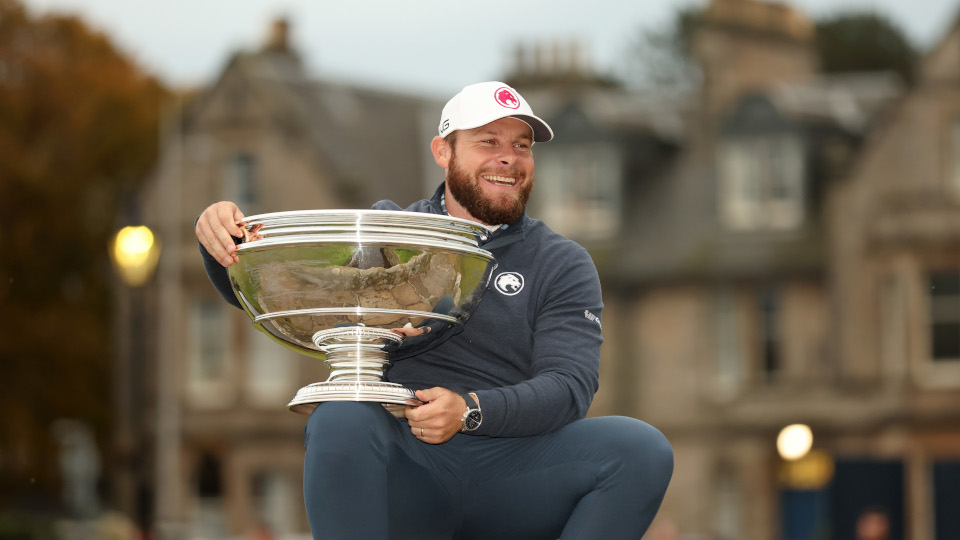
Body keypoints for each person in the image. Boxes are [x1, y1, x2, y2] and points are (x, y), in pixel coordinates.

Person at [196, 81, 674, 540]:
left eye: (522, 145)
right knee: (339, 416)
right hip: (410, 471)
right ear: (443, 152)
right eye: (488, 141)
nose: (508, 157)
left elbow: (569, 387)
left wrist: (470, 411)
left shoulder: (561, 261)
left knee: (640, 449)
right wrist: (224, 244)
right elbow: (297, 291)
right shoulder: (388, 231)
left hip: (516, 473)